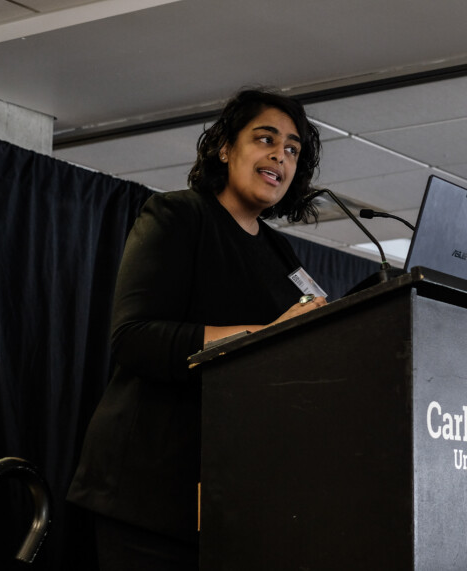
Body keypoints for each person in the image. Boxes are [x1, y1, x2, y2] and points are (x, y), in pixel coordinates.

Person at [67, 88, 326, 570]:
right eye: (265, 139)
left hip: (232, 496)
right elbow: (134, 337)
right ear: (225, 148)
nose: (280, 155)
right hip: (150, 490)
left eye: (292, 149)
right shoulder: (177, 215)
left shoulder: (281, 255)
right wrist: (268, 336)